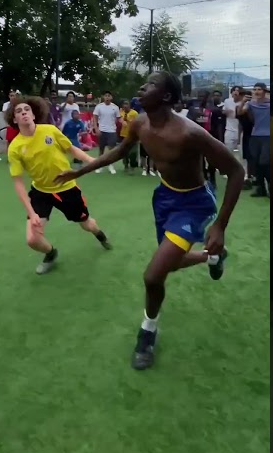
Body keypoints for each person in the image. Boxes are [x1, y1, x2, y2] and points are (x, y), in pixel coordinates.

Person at [57, 72, 246, 370]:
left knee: (153, 275)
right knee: (169, 262)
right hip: (165, 198)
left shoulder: (190, 133)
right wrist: (79, 171)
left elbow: (236, 171)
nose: (141, 88)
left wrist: (219, 225)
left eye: (151, 85)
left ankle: (147, 331)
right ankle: (213, 257)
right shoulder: (139, 123)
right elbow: (120, 150)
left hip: (194, 204)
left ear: (167, 97)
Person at [6, 97, 111, 274]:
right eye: (18, 111)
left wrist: (92, 161)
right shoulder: (15, 147)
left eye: (27, 109)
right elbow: (18, 184)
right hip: (41, 192)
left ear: (33, 114)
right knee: (32, 239)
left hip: (67, 188)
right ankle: (51, 253)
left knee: (87, 225)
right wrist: (32, 214)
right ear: (14, 119)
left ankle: (100, 235)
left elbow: (72, 149)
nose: (23, 112)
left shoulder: (50, 130)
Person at [241, 82, 271, 197]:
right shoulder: (251, 104)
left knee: (265, 162)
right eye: (255, 89)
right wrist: (243, 101)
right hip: (255, 135)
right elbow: (240, 112)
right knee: (257, 163)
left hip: (268, 136)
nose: (257, 91)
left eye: (259, 89)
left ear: (264, 91)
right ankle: (261, 189)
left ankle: (269, 186)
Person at [92, 91, 121, 174]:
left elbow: (118, 118)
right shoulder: (99, 107)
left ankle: (111, 165)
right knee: (101, 149)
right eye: (106, 96)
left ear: (111, 98)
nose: (107, 97)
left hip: (111, 131)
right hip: (101, 130)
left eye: (109, 96)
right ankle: (99, 166)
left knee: (111, 150)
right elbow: (95, 118)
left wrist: (123, 122)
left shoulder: (115, 107)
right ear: (103, 97)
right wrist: (96, 128)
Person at [118, 100, 139, 173]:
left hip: (133, 135)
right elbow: (119, 120)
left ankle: (132, 166)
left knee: (133, 152)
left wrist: (128, 120)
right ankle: (126, 165)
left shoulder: (134, 113)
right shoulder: (121, 113)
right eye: (124, 104)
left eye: (127, 104)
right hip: (123, 135)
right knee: (124, 152)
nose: (125, 106)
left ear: (130, 105)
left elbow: (137, 123)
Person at [222, 86, 242, 151]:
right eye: (234, 90)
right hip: (229, 129)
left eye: (238, 91)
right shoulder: (227, 101)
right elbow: (223, 111)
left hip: (241, 131)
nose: (236, 92)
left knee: (240, 151)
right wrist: (227, 111)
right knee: (228, 150)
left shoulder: (244, 102)